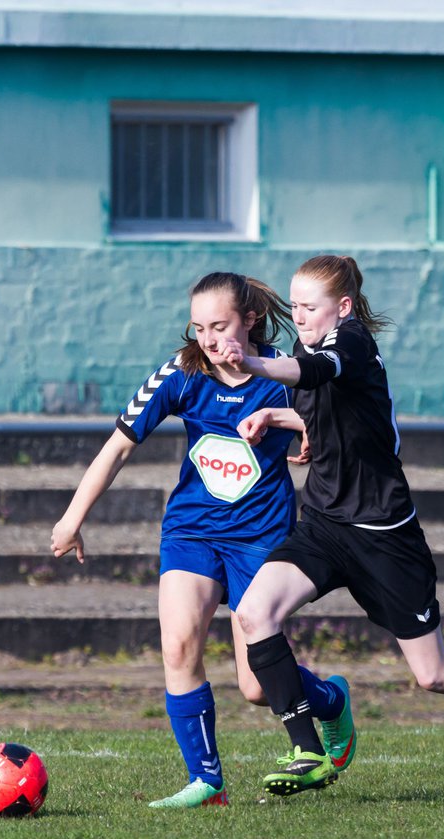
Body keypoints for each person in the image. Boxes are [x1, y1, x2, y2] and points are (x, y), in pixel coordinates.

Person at [221, 254, 444, 798]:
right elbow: (330, 409)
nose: (300, 315)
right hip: (326, 526)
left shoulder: (352, 344)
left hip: (385, 537)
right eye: (295, 306)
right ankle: (308, 749)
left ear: (344, 307)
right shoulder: (310, 348)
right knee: (253, 612)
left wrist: (254, 367)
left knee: (435, 675)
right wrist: (279, 417)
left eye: (311, 307)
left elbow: (314, 373)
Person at [50, 271, 353, 809]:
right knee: (178, 643)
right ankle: (206, 781)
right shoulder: (183, 371)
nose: (209, 340)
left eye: (220, 326)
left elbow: (332, 430)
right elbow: (118, 446)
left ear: (250, 320)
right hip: (192, 531)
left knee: (257, 686)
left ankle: (330, 700)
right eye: (198, 328)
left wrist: (298, 437)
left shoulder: (285, 372)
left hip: (261, 536)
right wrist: (73, 516)